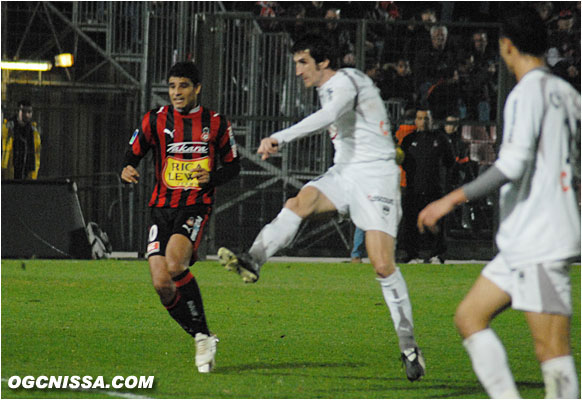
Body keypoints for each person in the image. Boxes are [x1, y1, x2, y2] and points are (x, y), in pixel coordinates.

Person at [218, 34, 425, 382]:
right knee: (300, 202)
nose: (297, 71)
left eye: (303, 62)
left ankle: (409, 346)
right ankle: (253, 258)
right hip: (344, 174)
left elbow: (329, 115)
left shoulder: (346, 80)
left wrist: (279, 137)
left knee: (382, 264)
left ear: (323, 62)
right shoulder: (326, 86)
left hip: (376, 178)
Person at [418, 7, 580, 398]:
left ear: (507, 47)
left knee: (552, 351)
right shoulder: (568, 95)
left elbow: (513, 163)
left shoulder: (527, 93)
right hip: (525, 239)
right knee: (470, 317)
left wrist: (450, 199)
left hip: (540, 238)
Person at [120, 61, 241, 374]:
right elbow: (133, 154)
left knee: (174, 265)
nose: (176, 92)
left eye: (183, 86)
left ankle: (202, 337)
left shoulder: (215, 123)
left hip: (195, 206)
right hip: (161, 208)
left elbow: (233, 167)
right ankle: (202, 335)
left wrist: (211, 177)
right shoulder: (155, 120)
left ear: (197, 88)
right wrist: (127, 168)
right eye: (172, 86)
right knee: (162, 283)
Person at [399, 108, 454, 263]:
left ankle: (437, 254)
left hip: (435, 189)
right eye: (420, 118)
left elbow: (450, 162)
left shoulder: (441, 139)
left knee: (436, 223)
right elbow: (402, 162)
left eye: (426, 118)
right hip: (413, 189)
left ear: (432, 121)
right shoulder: (408, 140)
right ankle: (411, 254)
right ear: (415, 121)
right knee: (411, 222)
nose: (423, 121)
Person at [1, 99, 41, 180]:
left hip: (27, 173)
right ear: (18, 111)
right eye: (23, 111)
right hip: (10, 173)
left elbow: (36, 154)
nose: (26, 115)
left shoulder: (33, 132)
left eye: (29, 112)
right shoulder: (8, 128)